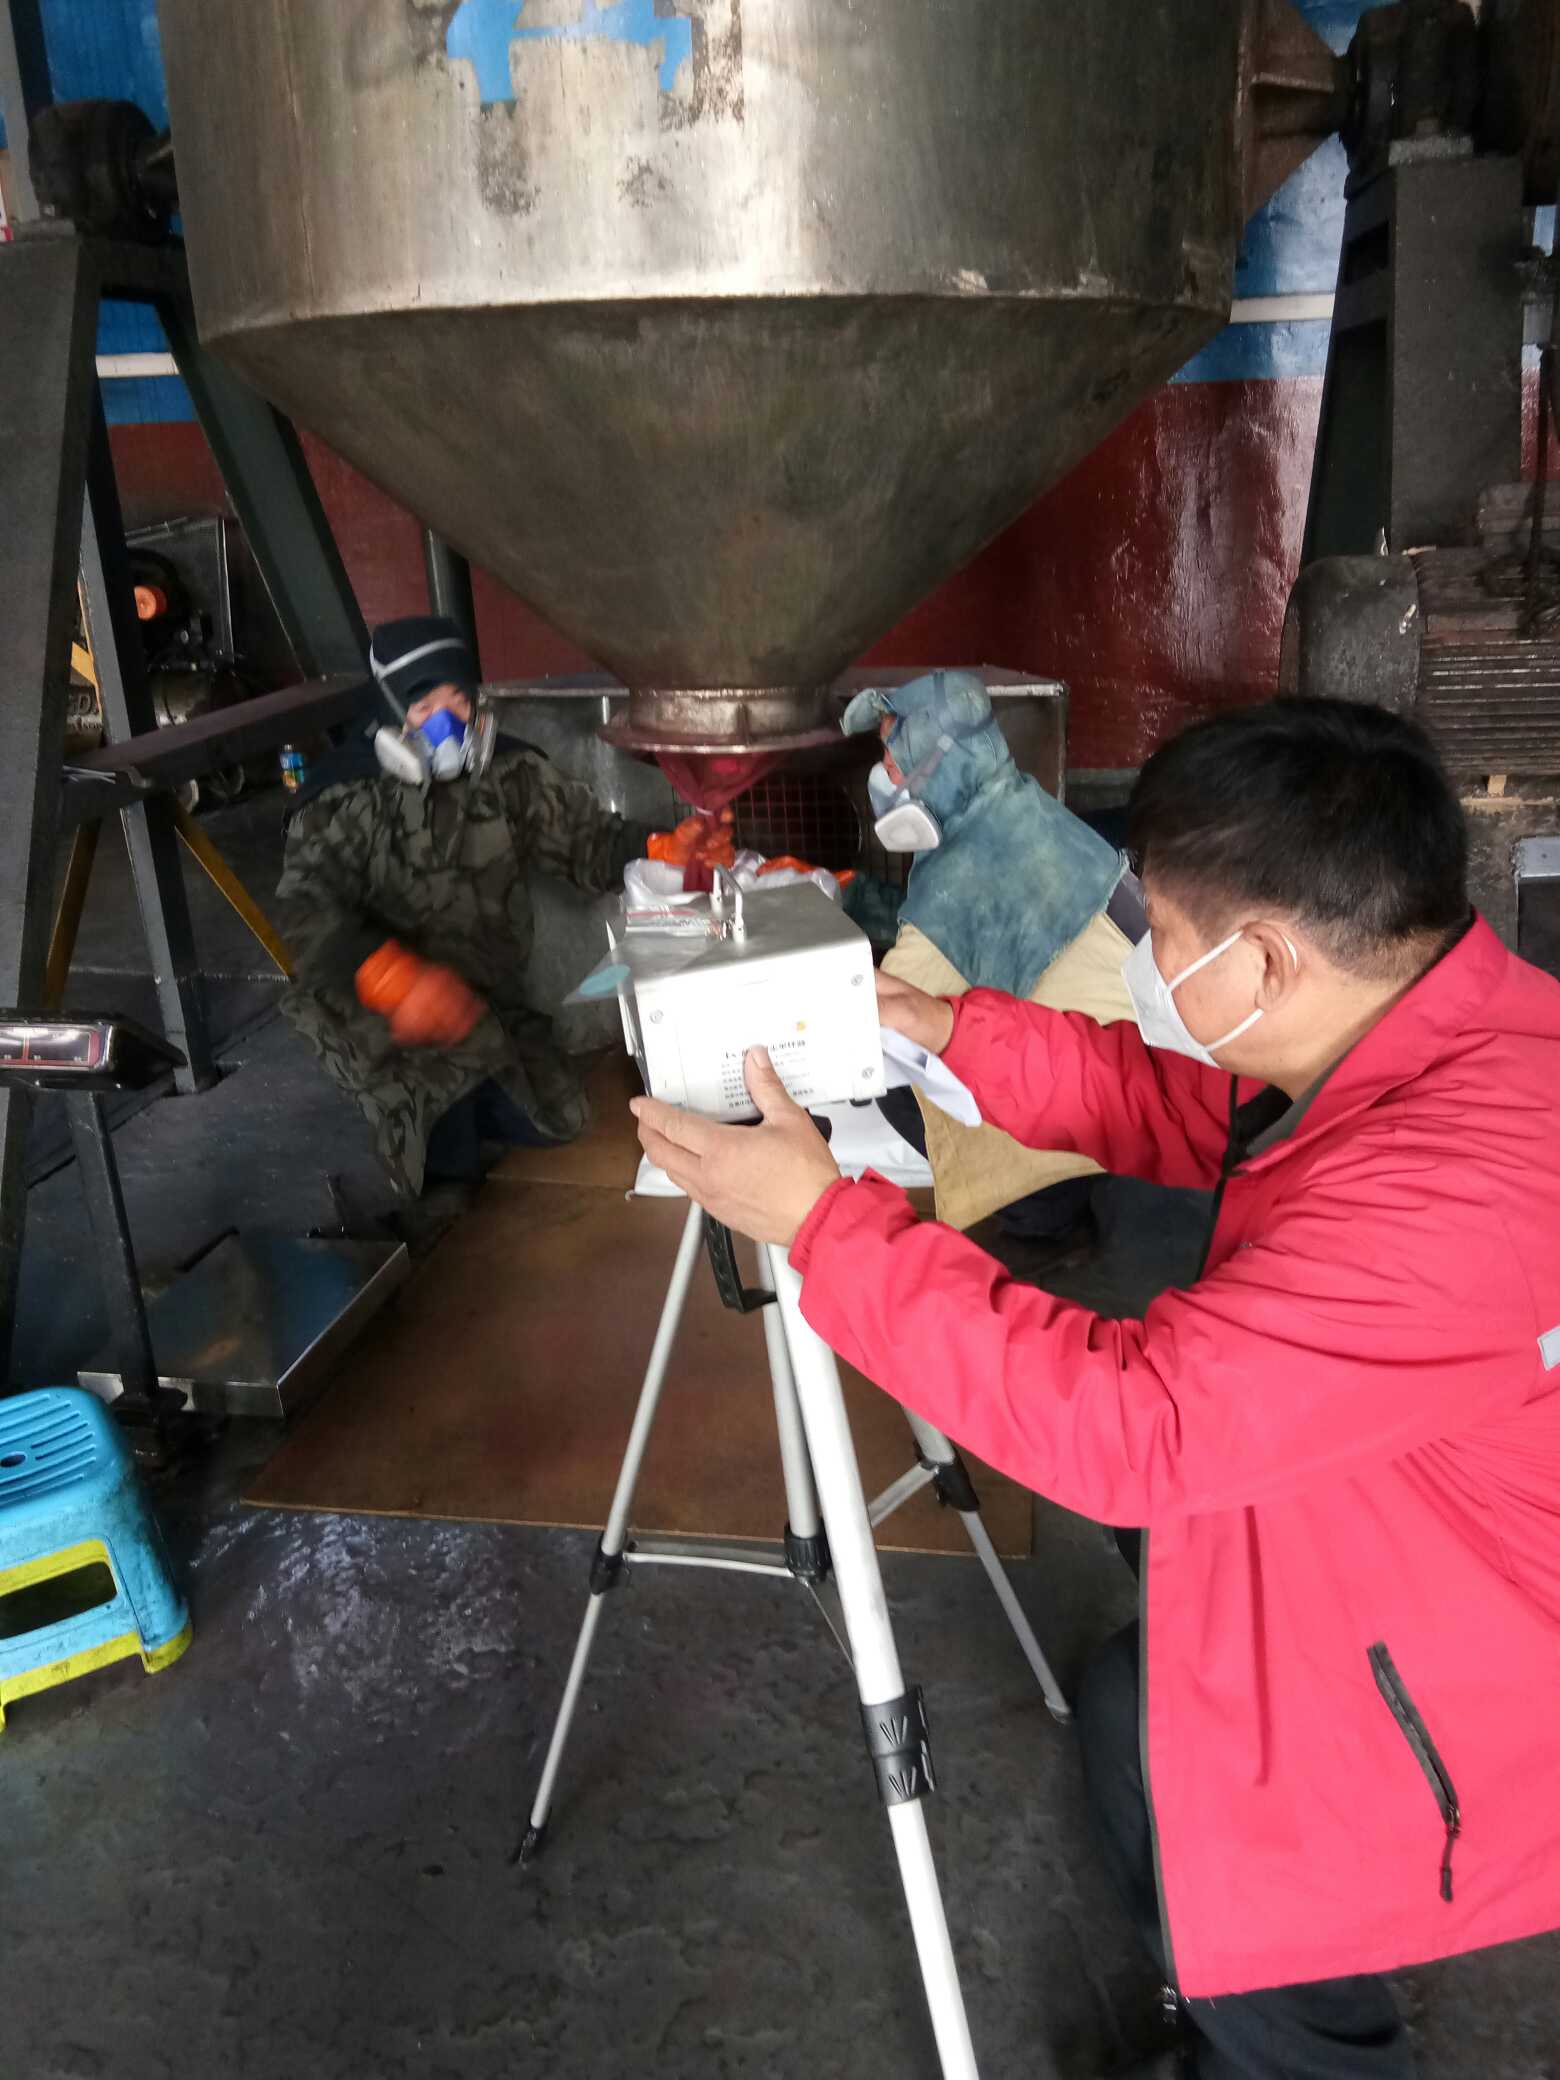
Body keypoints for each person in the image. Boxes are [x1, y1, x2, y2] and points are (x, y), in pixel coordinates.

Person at [630, 697, 1560, 2079]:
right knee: (1138, 1714)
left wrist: (825, 1225)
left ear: (1266, 957)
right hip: (1373, 1512)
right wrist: (943, 1031)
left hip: (1451, 1659)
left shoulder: (1455, 1192)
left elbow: (1137, 1428)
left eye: (1159, 932)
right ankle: (1215, 1998)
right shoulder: (1427, 1021)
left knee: (1260, 1856)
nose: (1143, 961)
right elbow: (1187, 1105)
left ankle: (1292, 2041)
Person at [275, 615, 658, 1198]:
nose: (447, 722)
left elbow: (588, 841)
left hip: (479, 997)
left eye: (458, 699)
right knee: (440, 1144)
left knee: (560, 1115)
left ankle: (477, 1088)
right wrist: (390, 977)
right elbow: (305, 916)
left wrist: (660, 850)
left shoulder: (508, 771)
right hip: (378, 1007)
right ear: (389, 711)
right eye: (424, 706)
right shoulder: (339, 798)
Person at [842, 670, 1144, 1255]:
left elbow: (892, 1004)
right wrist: (854, 899)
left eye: (893, 760)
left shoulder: (965, 868)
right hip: (1142, 1079)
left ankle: (1043, 1217)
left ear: (939, 760)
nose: (884, 778)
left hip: (1101, 1116)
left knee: (890, 1071)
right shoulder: (1018, 807)